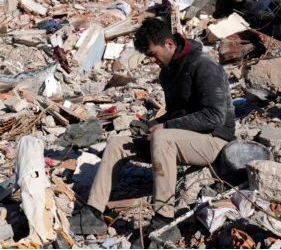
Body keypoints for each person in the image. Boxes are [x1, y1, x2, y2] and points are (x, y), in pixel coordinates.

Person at [71, 17, 235, 244]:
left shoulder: (204, 65)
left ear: (169, 44)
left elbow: (214, 116)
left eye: (152, 53)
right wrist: (150, 126)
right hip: (180, 139)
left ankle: (164, 220)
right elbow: (177, 114)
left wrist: (165, 127)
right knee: (118, 143)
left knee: (163, 137)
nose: (151, 60)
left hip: (214, 141)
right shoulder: (167, 73)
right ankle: (93, 213)